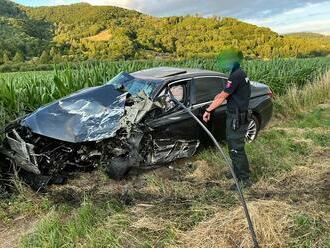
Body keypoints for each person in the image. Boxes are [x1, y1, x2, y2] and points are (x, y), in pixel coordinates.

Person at [203, 52, 252, 189]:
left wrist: (208, 110)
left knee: (236, 148)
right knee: (232, 146)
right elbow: (225, 92)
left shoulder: (236, 75)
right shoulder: (238, 73)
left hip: (237, 118)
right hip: (236, 116)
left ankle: (244, 179)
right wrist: (217, 98)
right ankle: (238, 172)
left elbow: (222, 97)